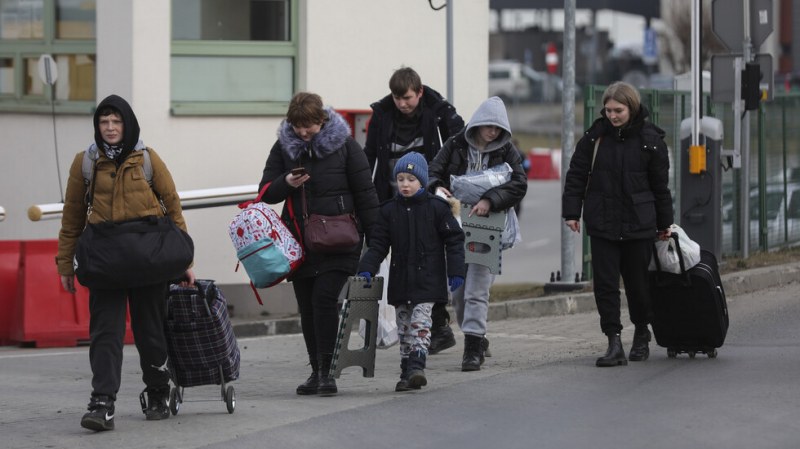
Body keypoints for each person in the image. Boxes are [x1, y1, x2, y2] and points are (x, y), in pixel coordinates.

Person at [56, 94, 195, 431]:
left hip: (148, 259)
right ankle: (102, 402)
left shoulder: (147, 159)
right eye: (104, 122)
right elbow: (72, 216)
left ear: (127, 124)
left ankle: (158, 390)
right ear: (97, 126)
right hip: (105, 260)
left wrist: (183, 261)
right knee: (105, 333)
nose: (110, 127)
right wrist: (65, 263)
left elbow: (173, 206)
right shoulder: (85, 163)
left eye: (116, 121)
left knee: (150, 330)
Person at [258, 92, 379, 396]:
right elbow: (265, 192)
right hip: (300, 243)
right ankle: (316, 371)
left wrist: (376, 242)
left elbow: (366, 193)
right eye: (298, 126)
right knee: (308, 308)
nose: (303, 132)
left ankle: (328, 371)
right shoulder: (284, 148)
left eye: (309, 126)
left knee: (324, 301)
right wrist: (286, 182)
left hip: (341, 240)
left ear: (322, 120)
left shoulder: (346, 147)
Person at [562, 81, 673, 367]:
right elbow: (576, 176)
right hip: (602, 223)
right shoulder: (594, 138)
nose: (612, 116)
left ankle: (641, 332)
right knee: (606, 286)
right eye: (608, 110)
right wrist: (572, 213)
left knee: (638, 285)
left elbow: (661, 188)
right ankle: (613, 341)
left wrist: (665, 224)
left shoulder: (651, 140)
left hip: (639, 224)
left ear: (631, 107)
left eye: (618, 110)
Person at [364, 67, 465, 355]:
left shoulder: (438, 112)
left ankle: (437, 325)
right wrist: (369, 197)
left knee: (428, 258)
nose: (402, 103)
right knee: (400, 261)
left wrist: (445, 184)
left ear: (419, 92)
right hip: (392, 199)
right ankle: (424, 328)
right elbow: (369, 155)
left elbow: (458, 146)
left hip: (429, 197)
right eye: (397, 98)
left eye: (407, 97)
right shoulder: (382, 116)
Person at [428, 96, 528, 371]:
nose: (492, 132)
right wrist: (438, 188)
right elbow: (432, 172)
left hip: (489, 229)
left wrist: (490, 200)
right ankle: (477, 335)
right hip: (456, 229)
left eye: (498, 128)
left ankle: (472, 349)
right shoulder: (455, 145)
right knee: (459, 291)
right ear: (478, 123)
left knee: (477, 290)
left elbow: (519, 183)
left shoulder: (506, 150)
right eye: (488, 126)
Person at [357, 152, 465, 391]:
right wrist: (366, 268)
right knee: (404, 328)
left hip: (429, 281)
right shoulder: (388, 211)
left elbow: (454, 240)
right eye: (401, 179)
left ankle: (417, 366)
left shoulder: (437, 208)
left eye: (411, 179)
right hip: (401, 281)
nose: (405, 184)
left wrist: (456, 271)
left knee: (420, 324)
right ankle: (407, 372)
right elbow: (378, 245)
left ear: (422, 181)